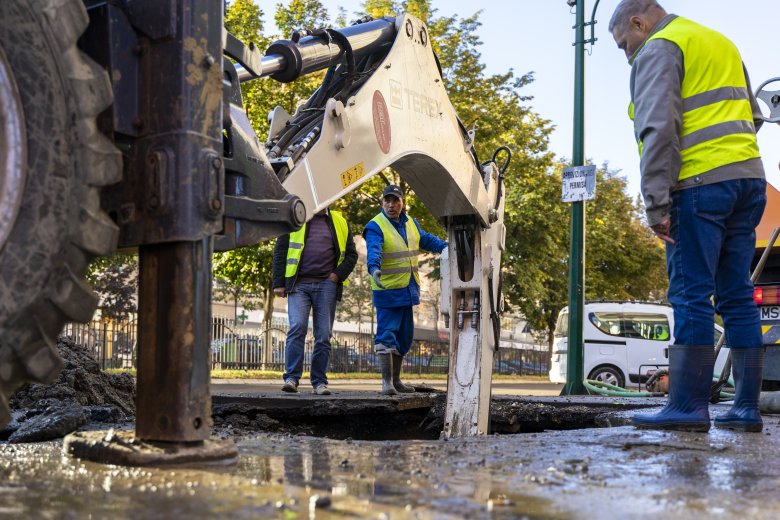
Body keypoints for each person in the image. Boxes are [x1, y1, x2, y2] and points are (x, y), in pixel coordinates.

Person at [610, 0, 767, 432]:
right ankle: (745, 409)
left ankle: (687, 407)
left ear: (639, 23)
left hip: (698, 186)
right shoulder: (718, 42)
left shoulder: (661, 47)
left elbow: (658, 127)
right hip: (748, 181)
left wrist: (656, 204)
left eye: (625, 43)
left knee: (691, 293)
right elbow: (753, 116)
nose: (627, 54)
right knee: (735, 295)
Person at [363, 185, 447, 395]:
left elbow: (426, 240)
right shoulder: (375, 226)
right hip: (388, 289)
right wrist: (374, 269)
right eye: (387, 201)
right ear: (382, 202)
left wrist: (446, 247)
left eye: (396, 201)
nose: (391, 205)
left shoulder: (411, 223)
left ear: (402, 202)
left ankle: (397, 381)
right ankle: (386, 383)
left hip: (407, 289)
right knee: (387, 335)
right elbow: (374, 251)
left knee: (404, 337)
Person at [272, 207, 357, 395]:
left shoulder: (340, 222)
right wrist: (278, 282)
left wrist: (337, 275)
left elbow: (352, 255)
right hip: (298, 284)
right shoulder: (296, 218)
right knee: (297, 327)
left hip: (326, 284)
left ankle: (319, 382)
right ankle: (292, 378)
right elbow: (281, 249)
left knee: (324, 334)